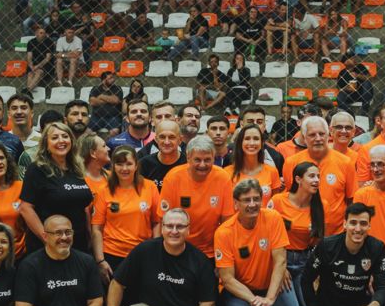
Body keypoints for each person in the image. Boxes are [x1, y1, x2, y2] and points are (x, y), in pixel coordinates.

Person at [214, 177, 297, 306]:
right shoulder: (224, 232)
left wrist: (269, 298)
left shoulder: (273, 218)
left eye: (256, 199)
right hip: (238, 290)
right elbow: (227, 278)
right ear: (236, 203)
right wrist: (256, 302)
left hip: (268, 287)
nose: (252, 204)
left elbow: (280, 261)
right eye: (246, 200)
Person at [266, 160, 325, 306]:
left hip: (305, 262)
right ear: (298, 179)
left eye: (318, 176)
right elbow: (265, 233)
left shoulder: (319, 207)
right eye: (312, 176)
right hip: (280, 261)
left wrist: (317, 274)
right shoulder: (278, 201)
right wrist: (278, 268)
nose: (316, 180)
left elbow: (318, 242)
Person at [19, 121, 93, 254]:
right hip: (49, 246)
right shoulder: (37, 169)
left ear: (71, 141)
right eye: (54, 138)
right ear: (46, 145)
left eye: (65, 136)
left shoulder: (76, 168)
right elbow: (26, 208)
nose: (61, 141)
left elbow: (83, 206)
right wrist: (46, 239)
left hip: (78, 243)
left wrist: (89, 235)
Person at [92, 145, 162, 282]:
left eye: (129, 164)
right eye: (119, 164)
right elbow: (96, 229)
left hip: (142, 253)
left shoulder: (150, 187)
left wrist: (154, 251)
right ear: (113, 166)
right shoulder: (103, 190)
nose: (124, 168)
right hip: (112, 254)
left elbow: (157, 222)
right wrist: (100, 260)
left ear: (136, 165)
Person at [159, 135, 236, 256]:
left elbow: (227, 222)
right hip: (178, 248)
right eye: (197, 160)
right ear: (188, 158)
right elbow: (163, 219)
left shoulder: (223, 178)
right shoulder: (173, 178)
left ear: (214, 158)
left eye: (207, 160)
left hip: (210, 250)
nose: (202, 165)